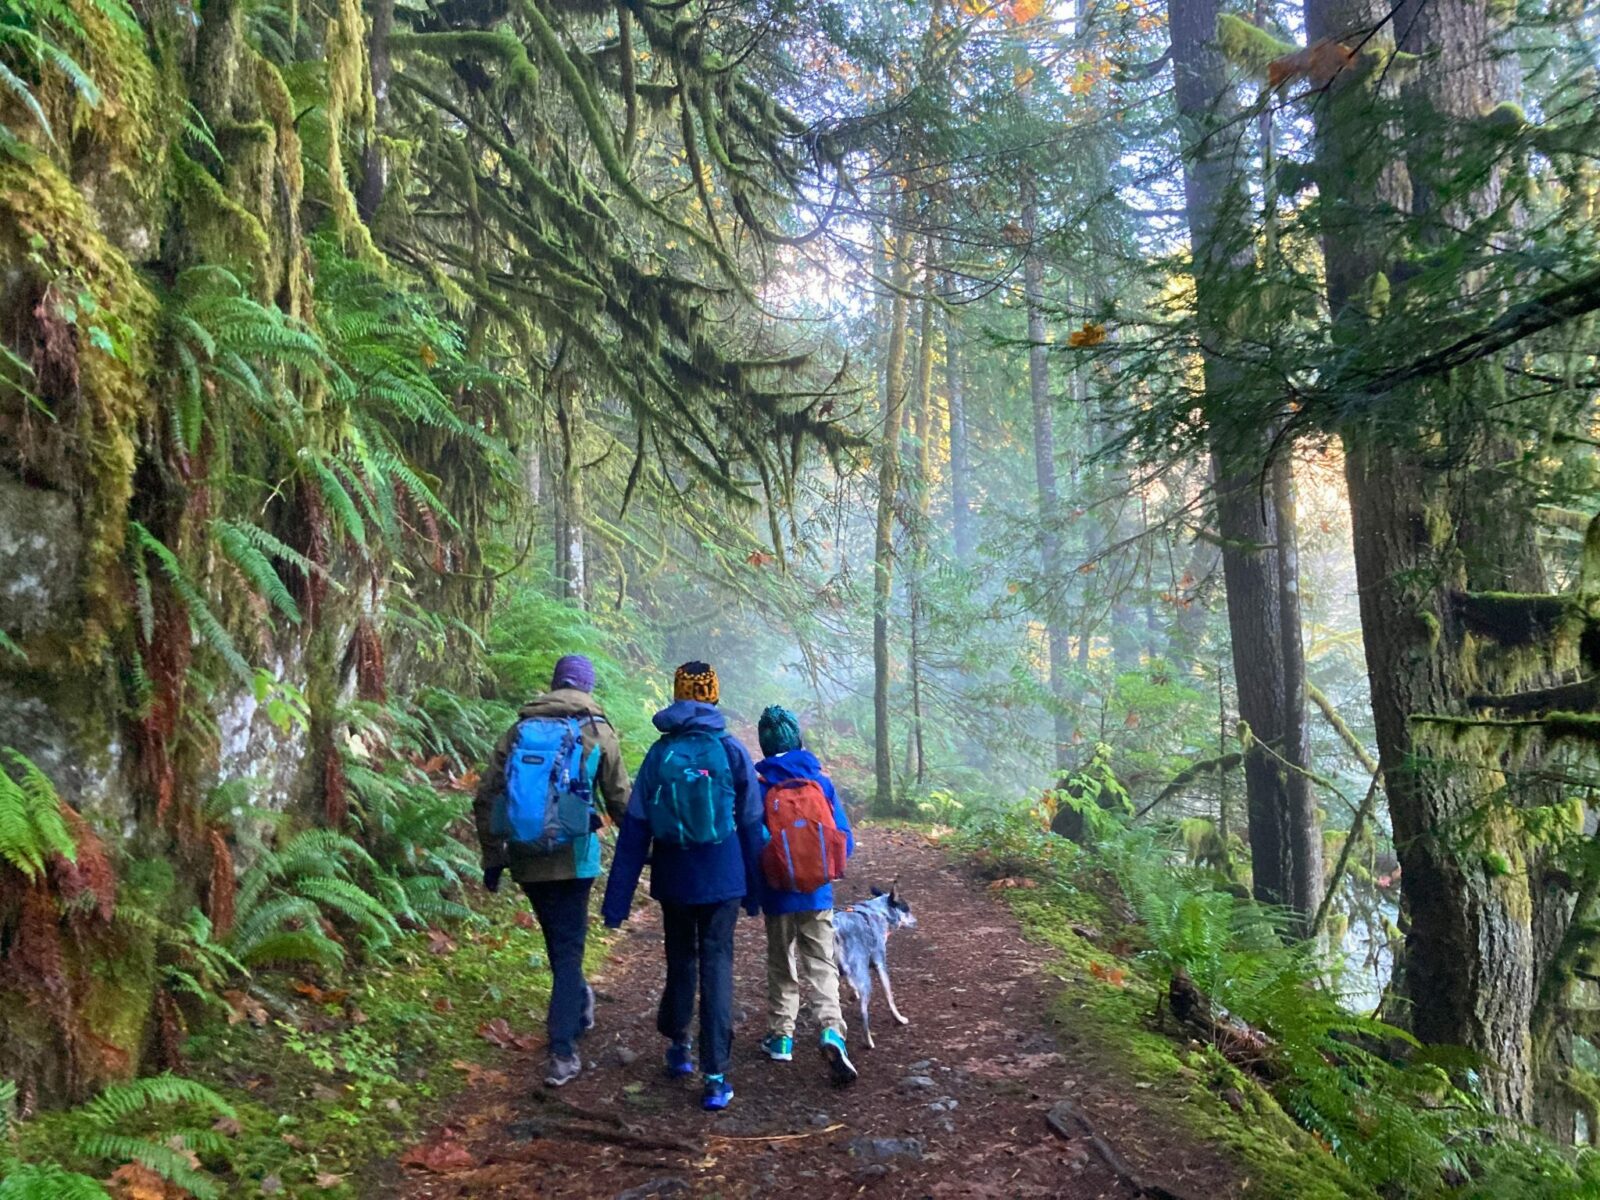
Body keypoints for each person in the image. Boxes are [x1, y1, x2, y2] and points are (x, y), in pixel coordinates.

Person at [601, 661, 763, 1112]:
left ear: (676, 697)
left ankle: (679, 1048)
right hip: (724, 876)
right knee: (717, 966)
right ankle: (716, 1076)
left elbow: (635, 830)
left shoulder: (659, 754)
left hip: (674, 877)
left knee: (680, 959)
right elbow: (751, 824)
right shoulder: (730, 752)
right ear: (714, 696)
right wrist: (755, 890)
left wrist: (616, 904)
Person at [473, 654, 629, 1089]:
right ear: (587, 688)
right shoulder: (598, 731)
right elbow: (620, 799)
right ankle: (562, 1050)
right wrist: (645, 850)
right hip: (576, 859)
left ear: (555, 682)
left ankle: (578, 1004)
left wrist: (493, 860)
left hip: (526, 857)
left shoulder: (519, 730)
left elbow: (486, 797)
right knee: (568, 950)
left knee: (558, 943)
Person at [752, 705, 858, 1087]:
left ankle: (781, 1036)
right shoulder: (820, 781)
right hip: (817, 893)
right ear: (797, 738)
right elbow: (846, 839)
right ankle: (831, 1030)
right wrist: (821, 868)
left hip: (777, 893)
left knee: (782, 963)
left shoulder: (760, 784)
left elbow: (751, 839)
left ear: (764, 743)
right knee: (821, 963)